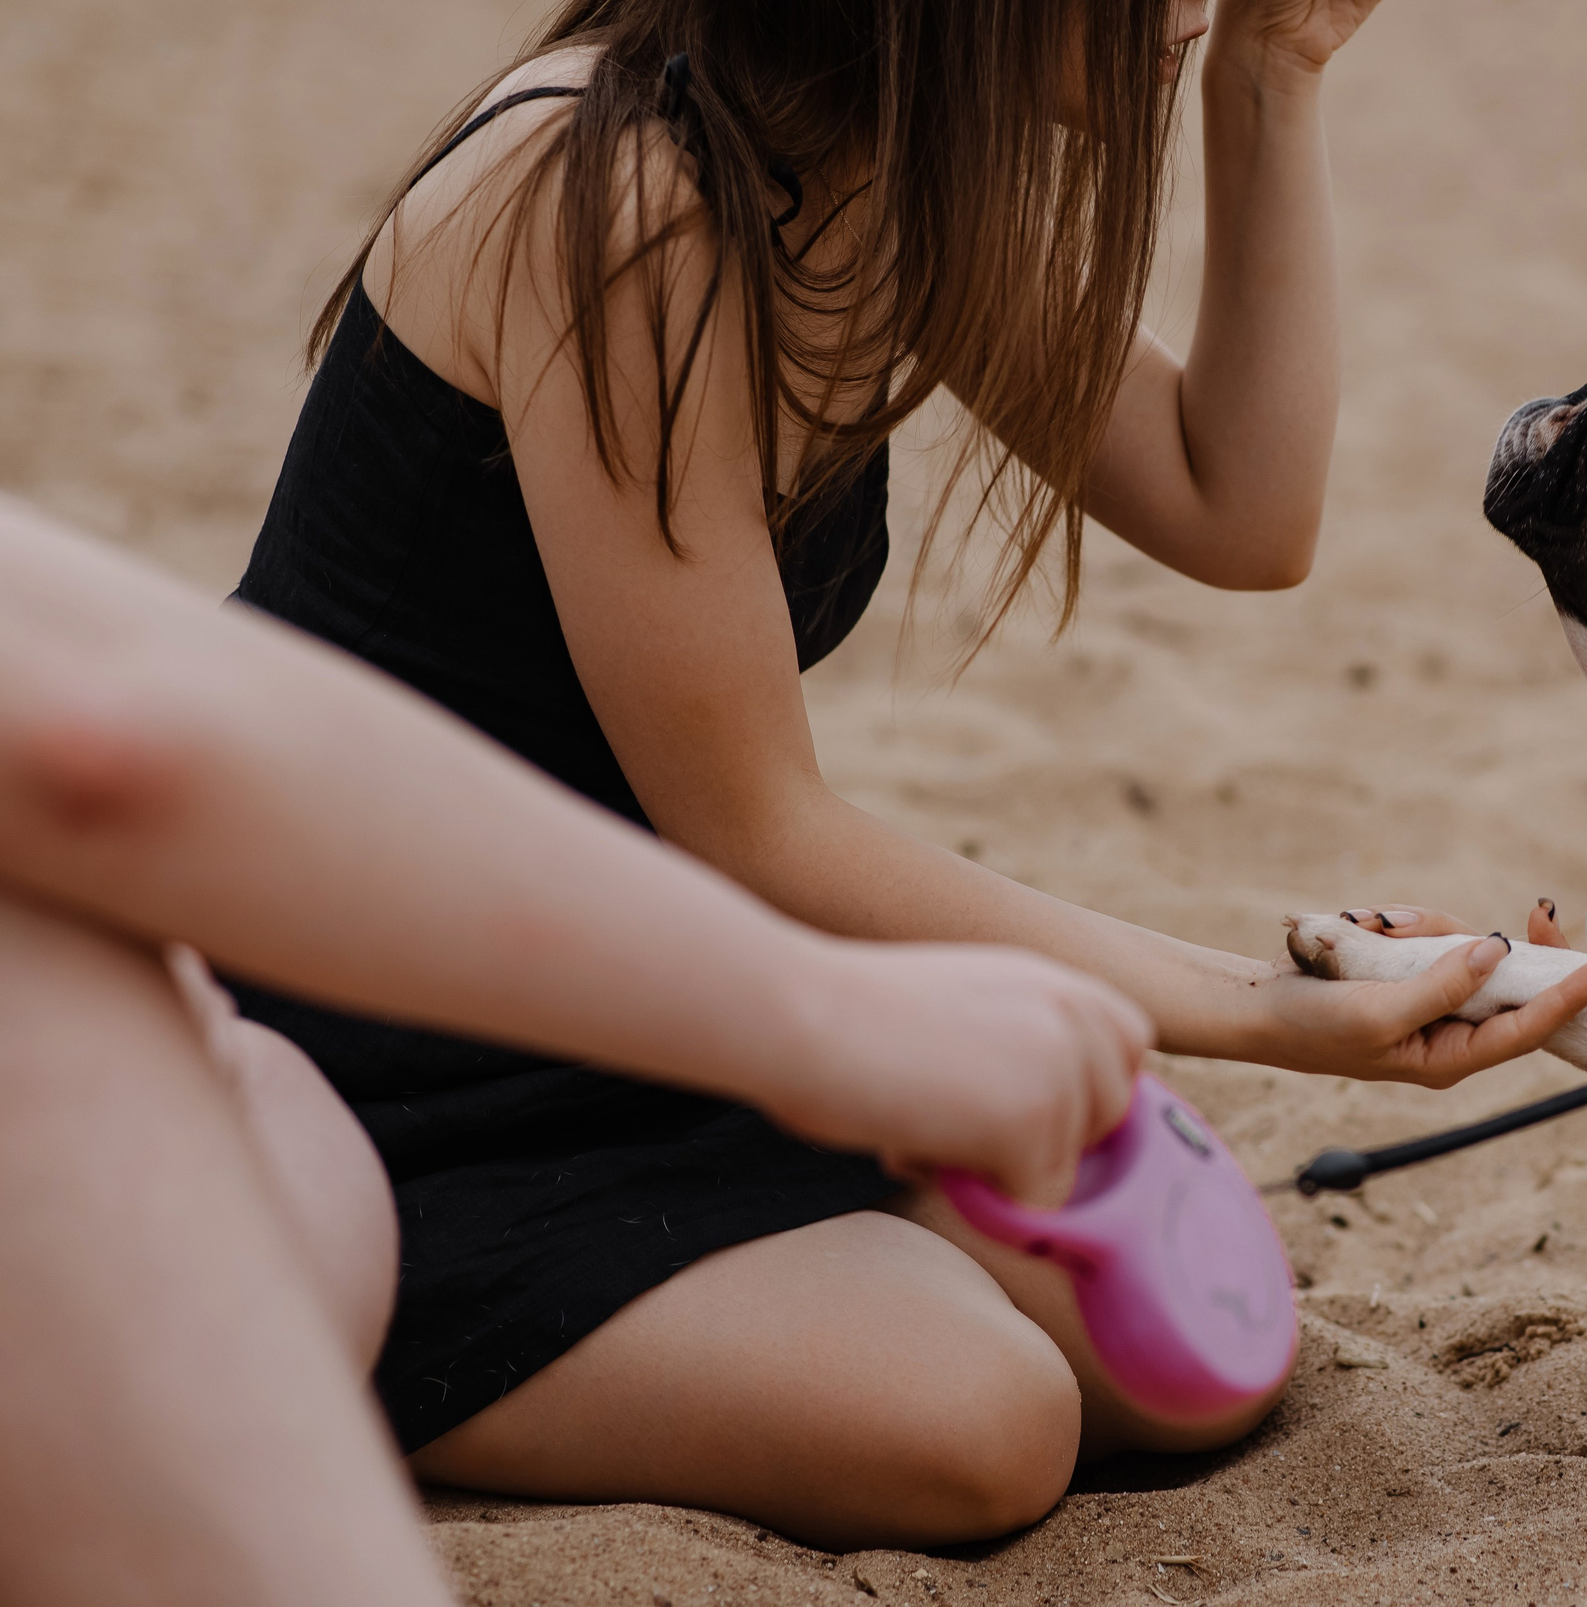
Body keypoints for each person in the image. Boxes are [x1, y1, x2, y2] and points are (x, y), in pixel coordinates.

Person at [230, 0, 1587, 1548]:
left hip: (653, 984)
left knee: (1188, 1361)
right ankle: (250, 1346)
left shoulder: (873, 161)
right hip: (383, 1043)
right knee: (984, 1417)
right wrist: (1255, 1006)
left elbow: (1236, 502)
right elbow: (755, 824)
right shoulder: (626, 201)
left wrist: (1269, 83)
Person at [0, 495, 1151, 1605]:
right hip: (421, 1078)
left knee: (1142, 1347)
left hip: (532, 1046)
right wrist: (827, 1017)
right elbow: (105, 737)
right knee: (150, 1065)